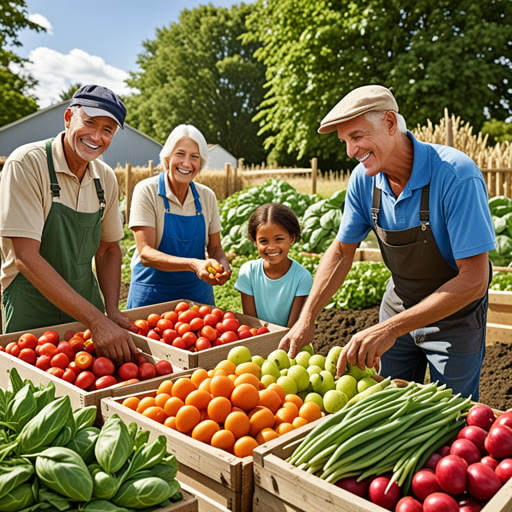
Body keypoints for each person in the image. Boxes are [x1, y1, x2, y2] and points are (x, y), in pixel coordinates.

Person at [279, 85, 495, 399]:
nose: (350, 151)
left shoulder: (456, 175)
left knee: (451, 419)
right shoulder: (363, 180)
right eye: (345, 142)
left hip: (455, 320)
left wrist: (390, 328)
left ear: (390, 124)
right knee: (383, 408)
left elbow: (475, 279)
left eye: (356, 137)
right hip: (399, 304)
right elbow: (341, 251)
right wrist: (307, 317)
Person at [0, 84, 138, 363]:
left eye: (107, 130)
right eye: (89, 123)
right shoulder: (27, 164)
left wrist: (110, 310)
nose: (96, 136)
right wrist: (96, 321)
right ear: (68, 118)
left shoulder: (106, 178)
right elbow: (25, 257)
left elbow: (109, 249)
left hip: (87, 302)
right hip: (31, 304)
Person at [126, 124, 231, 309]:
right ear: (167, 157)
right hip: (152, 296)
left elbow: (215, 248)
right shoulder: (147, 191)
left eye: (194, 157)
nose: (186, 163)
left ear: (201, 163)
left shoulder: (207, 196)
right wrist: (193, 264)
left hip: (197, 297)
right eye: (180, 154)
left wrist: (223, 266)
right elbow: (146, 254)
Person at [235, 203, 313, 327]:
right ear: (255, 242)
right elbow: (252, 322)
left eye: (279, 239)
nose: (271, 247)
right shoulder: (248, 272)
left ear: (292, 239)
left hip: (289, 340)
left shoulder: (302, 277)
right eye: (263, 241)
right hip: (258, 338)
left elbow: (292, 327)